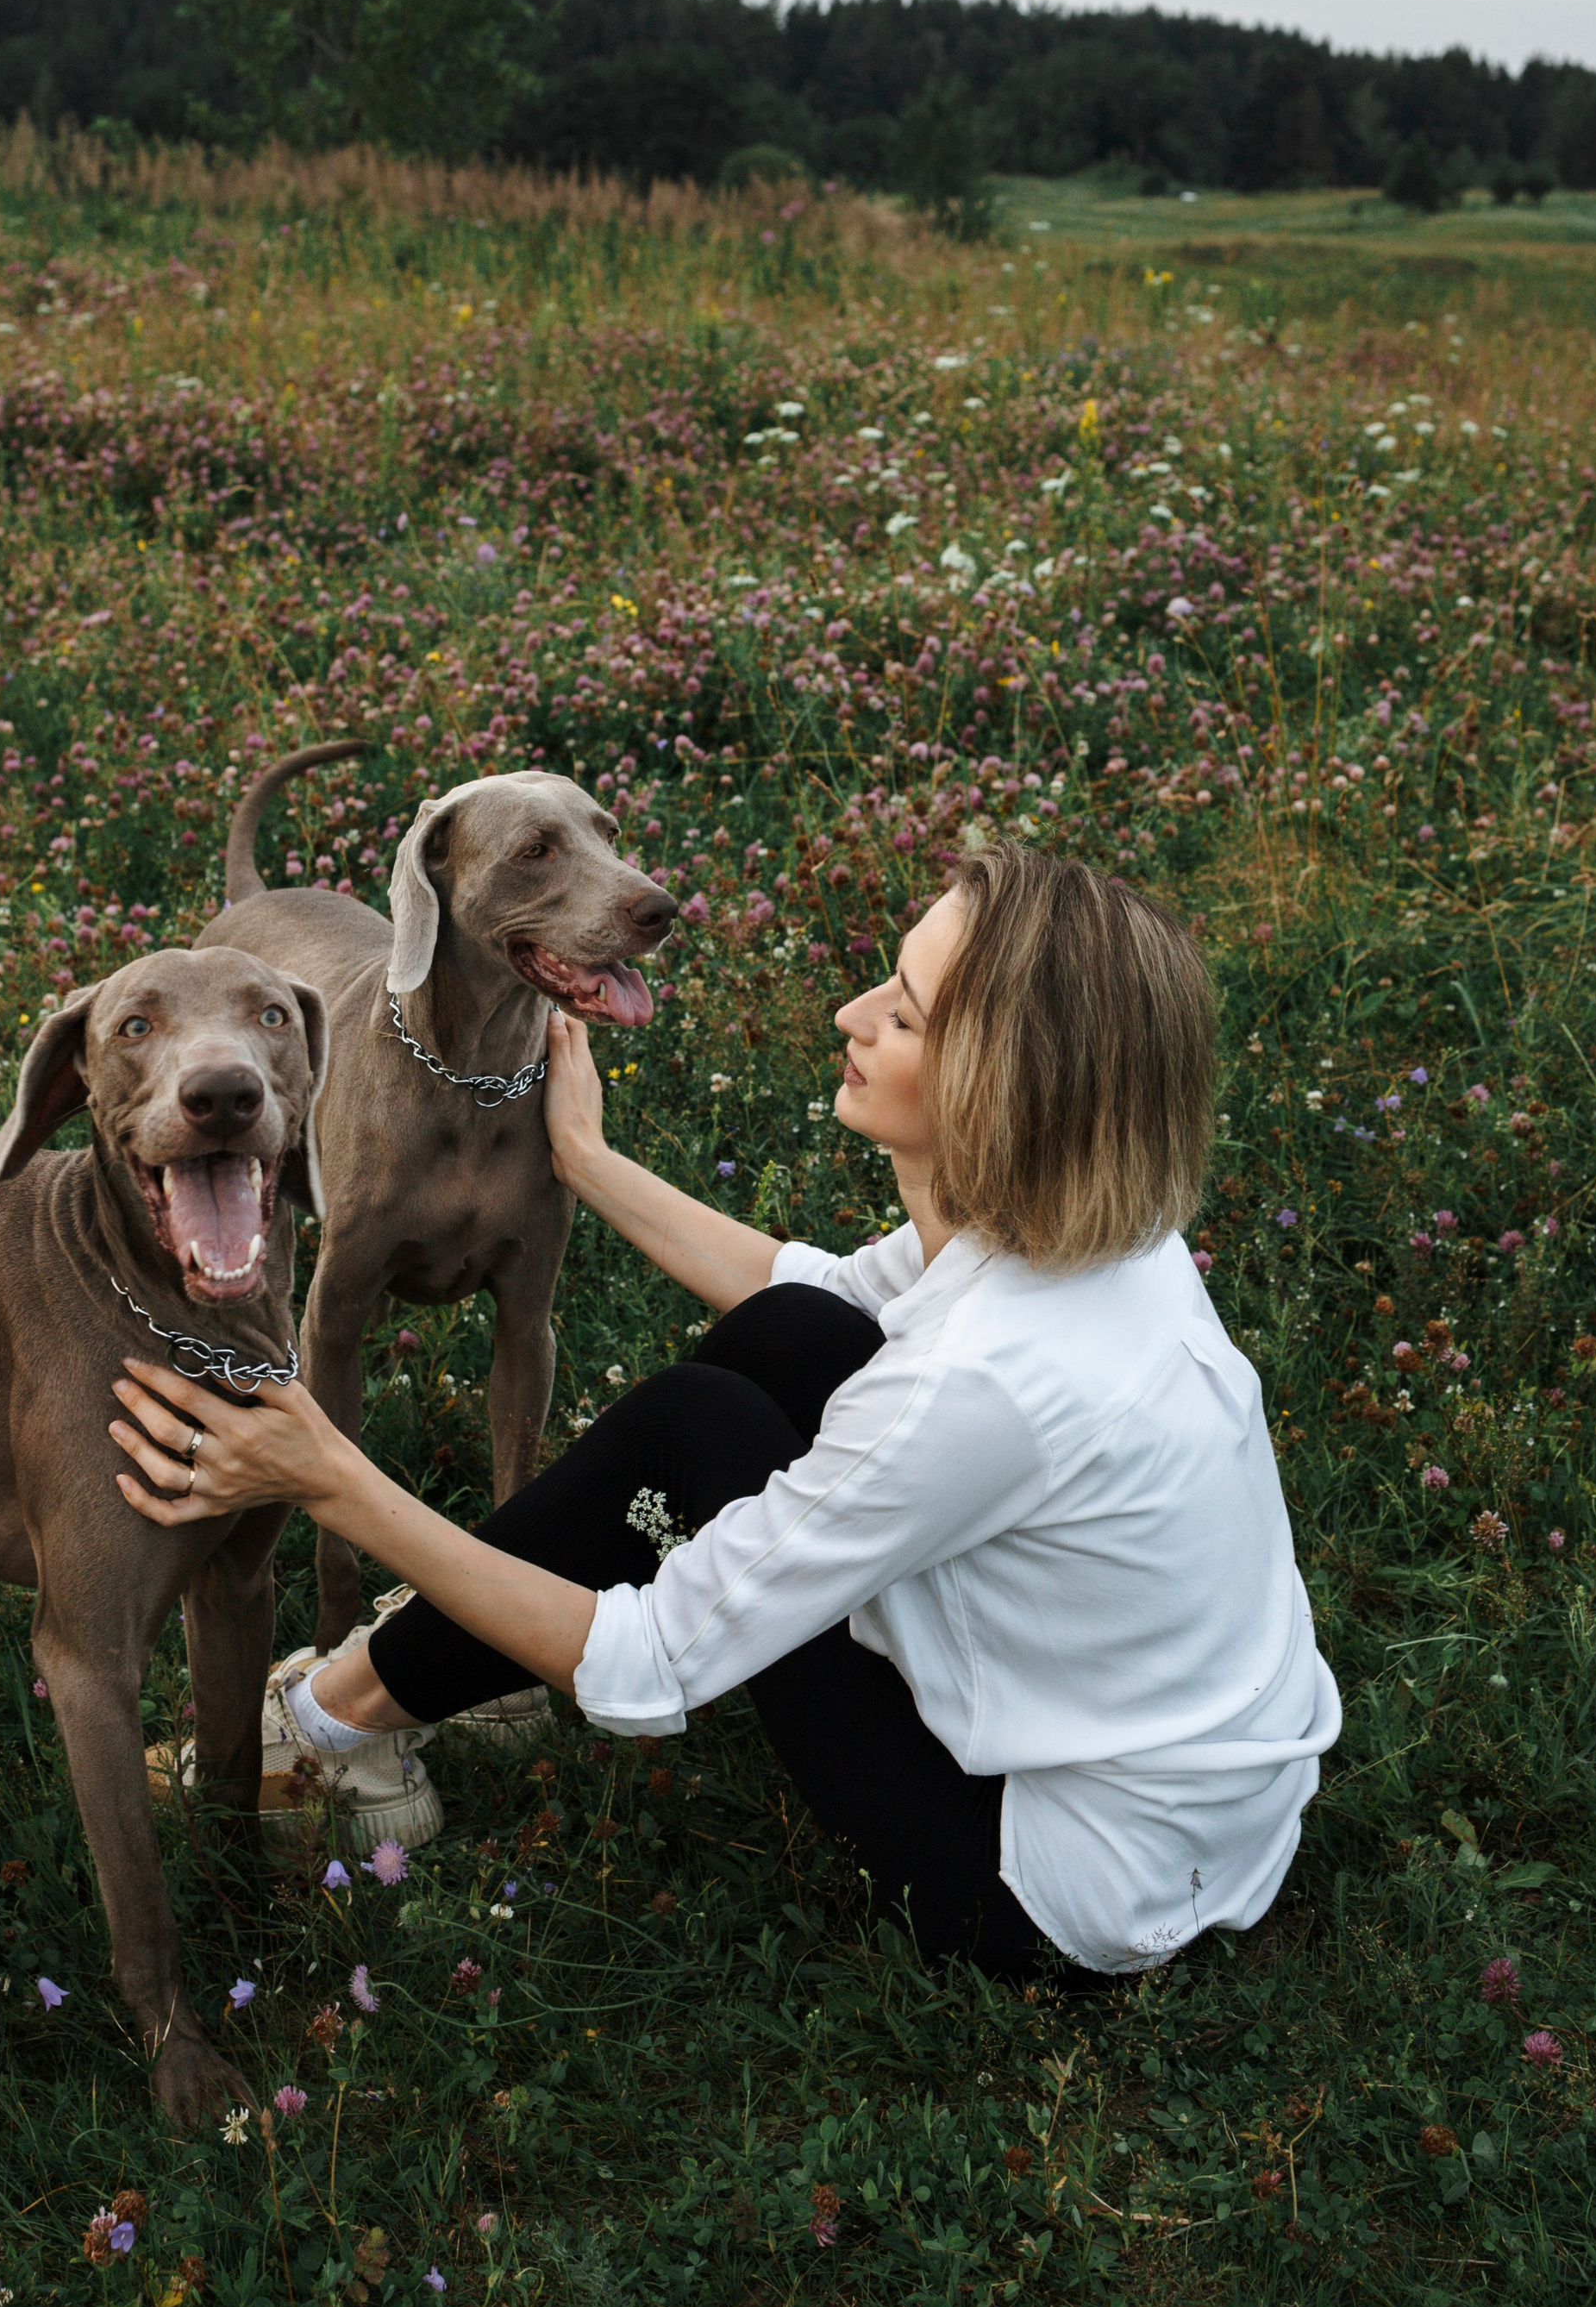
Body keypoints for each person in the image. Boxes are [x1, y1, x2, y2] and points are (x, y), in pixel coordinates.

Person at [108, 840, 1340, 1985]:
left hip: (1058, 1886)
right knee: (785, 1348)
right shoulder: (1104, 1236)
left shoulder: (981, 1385)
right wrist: (587, 1163)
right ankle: (451, 1649)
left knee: (703, 1433)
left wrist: (329, 1474)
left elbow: (645, 1666)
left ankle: (327, 1720)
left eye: (904, 1014)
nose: (853, 1017)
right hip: (1213, 1800)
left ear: (997, 1088)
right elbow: (825, 1300)